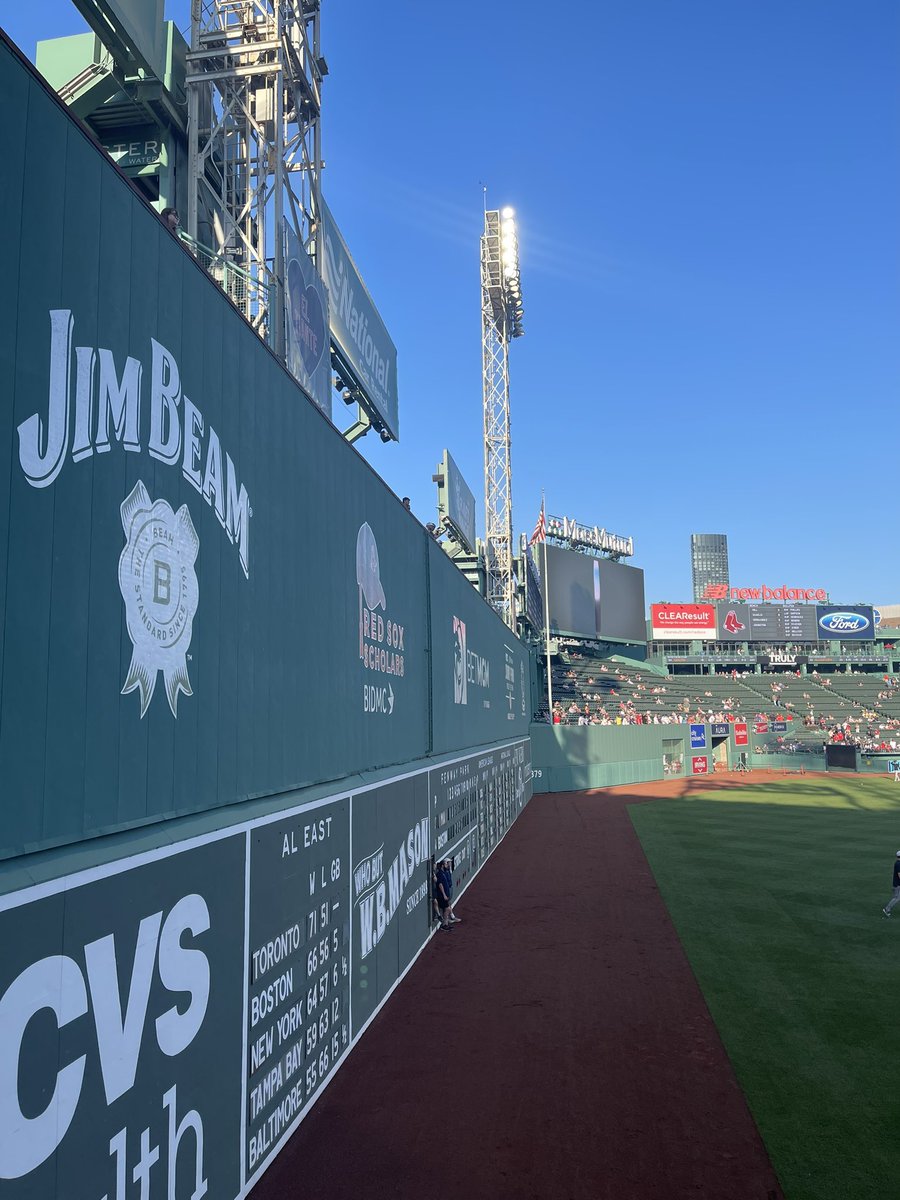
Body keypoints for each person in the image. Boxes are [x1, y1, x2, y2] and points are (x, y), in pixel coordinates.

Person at [436, 858, 459, 930]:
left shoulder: (444, 872)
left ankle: (445, 924)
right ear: (443, 865)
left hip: (445, 895)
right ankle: (444, 925)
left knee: (447, 908)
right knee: (447, 909)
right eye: (446, 864)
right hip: (442, 896)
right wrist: (444, 895)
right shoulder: (440, 873)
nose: (448, 865)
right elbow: (440, 884)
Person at [883, 851, 900, 917]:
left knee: (897, 897)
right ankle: (886, 909)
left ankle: (887, 908)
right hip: (898, 884)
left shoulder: (897, 863)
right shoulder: (898, 864)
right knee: (896, 898)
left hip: (896, 884)